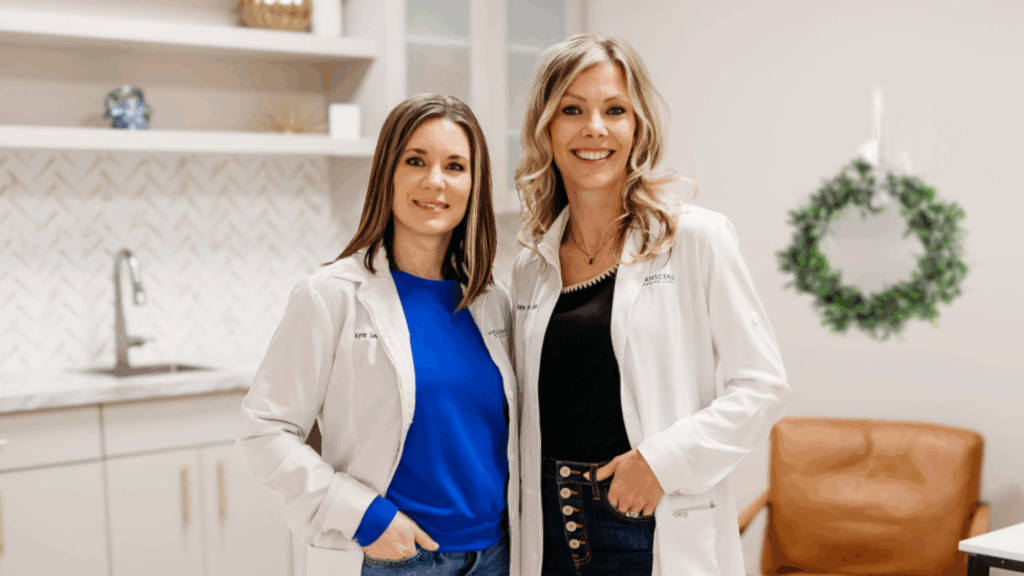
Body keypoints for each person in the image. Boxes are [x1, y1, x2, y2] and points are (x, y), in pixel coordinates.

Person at [510, 34, 791, 576]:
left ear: (637, 126)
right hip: (545, 532)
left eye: (614, 109)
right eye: (572, 109)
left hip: (645, 527)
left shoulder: (696, 239)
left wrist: (661, 464)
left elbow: (763, 385)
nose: (594, 127)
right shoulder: (530, 266)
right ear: (546, 128)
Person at [236, 93, 519, 576]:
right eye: (416, 161)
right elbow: (264, 431)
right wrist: (365, 517)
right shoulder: (331, 295)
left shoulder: (492, 301)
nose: (435, 181)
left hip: (494, 557)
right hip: (392, 559)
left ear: (474, 185)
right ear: (388, 172)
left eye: (455, 166)